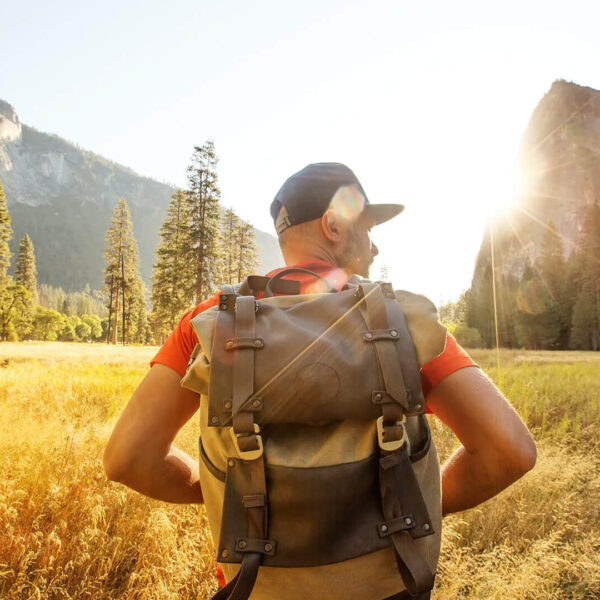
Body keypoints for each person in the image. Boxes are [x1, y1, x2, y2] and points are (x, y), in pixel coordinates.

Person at [104, 162, 537, 596]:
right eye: (367, 227)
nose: (375, 246)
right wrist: (412, 499)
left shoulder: (210, 323)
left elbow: (127, 459)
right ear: (333, 225)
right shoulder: (399, 322)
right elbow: (510, 451)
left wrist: (230, 492)